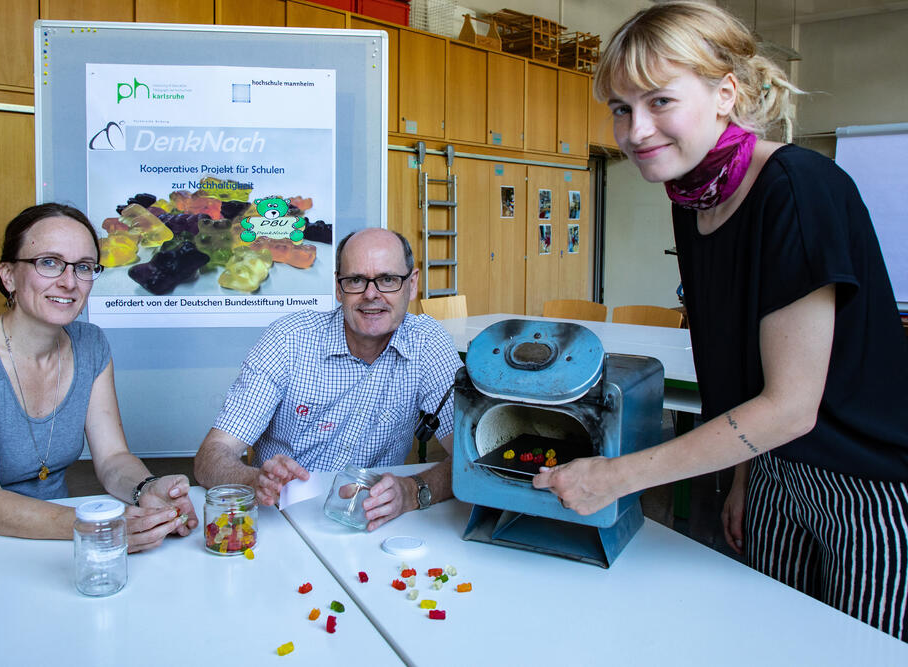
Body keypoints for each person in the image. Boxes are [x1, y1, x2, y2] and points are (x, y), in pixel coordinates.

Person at [533, 1, 908, 640]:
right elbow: (741, 367)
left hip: (867, 483)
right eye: (621, 109)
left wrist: (613, 477)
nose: (636, 130)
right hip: (772, 469)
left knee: (859, 647)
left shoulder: (796, 186)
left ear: (725, 94)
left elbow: (792, 406)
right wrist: (744, 479)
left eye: (659, 102)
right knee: (773, 637)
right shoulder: (694, 198)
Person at [0, 203, 198, 551]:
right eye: (48, 262)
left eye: (83, 267)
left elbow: (113, 460)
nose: (68, 282)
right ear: (8, 275)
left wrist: (147, 489)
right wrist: (97, 526)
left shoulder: (91, 343)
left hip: (54, 540)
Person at [194, 228, 461, 531]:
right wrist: (253, 480)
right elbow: (210, 457)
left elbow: (470, 459)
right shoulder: (288, 341)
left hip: (371, 523)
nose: (371, 294)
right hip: (280, 520)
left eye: (388, 280)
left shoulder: (428, 344)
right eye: (356, 280)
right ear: (338, 287)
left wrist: (412, 491)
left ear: (411, 285)